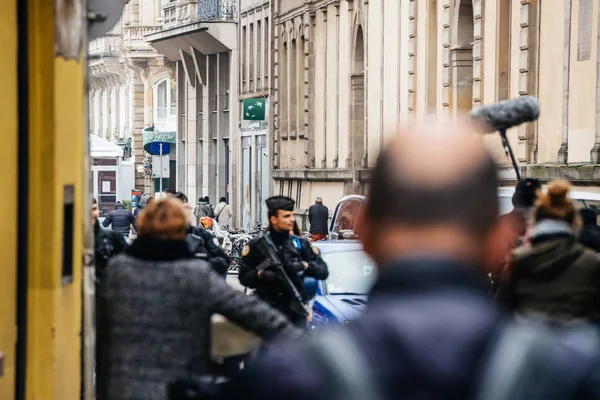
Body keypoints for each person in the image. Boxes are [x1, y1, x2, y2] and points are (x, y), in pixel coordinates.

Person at [225, 125, 600, 400]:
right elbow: (247, 277)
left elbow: (317, 270)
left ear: (366, 234)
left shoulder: (286, 378)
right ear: (498, 241)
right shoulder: (574, 372)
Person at [96, 199, 301, 400]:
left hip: (123, 388)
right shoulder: (195, 274)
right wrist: (302, 343)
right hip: (179, 388)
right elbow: (250, 311)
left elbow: (100, 329)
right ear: (181, 230)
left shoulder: (118, 270)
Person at [497, 181, 600, 323]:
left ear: (536, 220)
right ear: (574, 222)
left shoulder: (519, 260)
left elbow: (501, 307)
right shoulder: (591, 262)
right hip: (578, 338)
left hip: (528, 336)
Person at [239, 196, 329, 328]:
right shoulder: (257, 246)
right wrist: (260, 274)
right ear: (273, 219)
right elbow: (244, 277)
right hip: (266, 313)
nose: (292, 219)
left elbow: (323, 271)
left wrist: (304, 265)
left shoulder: (301, 245)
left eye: (292, 215)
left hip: (294, 314)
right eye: (286, 216)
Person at [490, 178, 542, 294]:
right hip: (535, 295)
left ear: (515, 199)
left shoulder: (500, 223)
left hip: (503, 292)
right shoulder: (543, 226)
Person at [173, 191, 230, 276]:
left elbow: (223, 260)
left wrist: (202, 262)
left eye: (185, 207)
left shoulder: (201, 235)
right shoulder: (159, 237)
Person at [93, 198, 127, 284]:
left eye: (94, 209)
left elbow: (105, 224)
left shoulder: (111, 214)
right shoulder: (128, 213)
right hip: (125, 235)